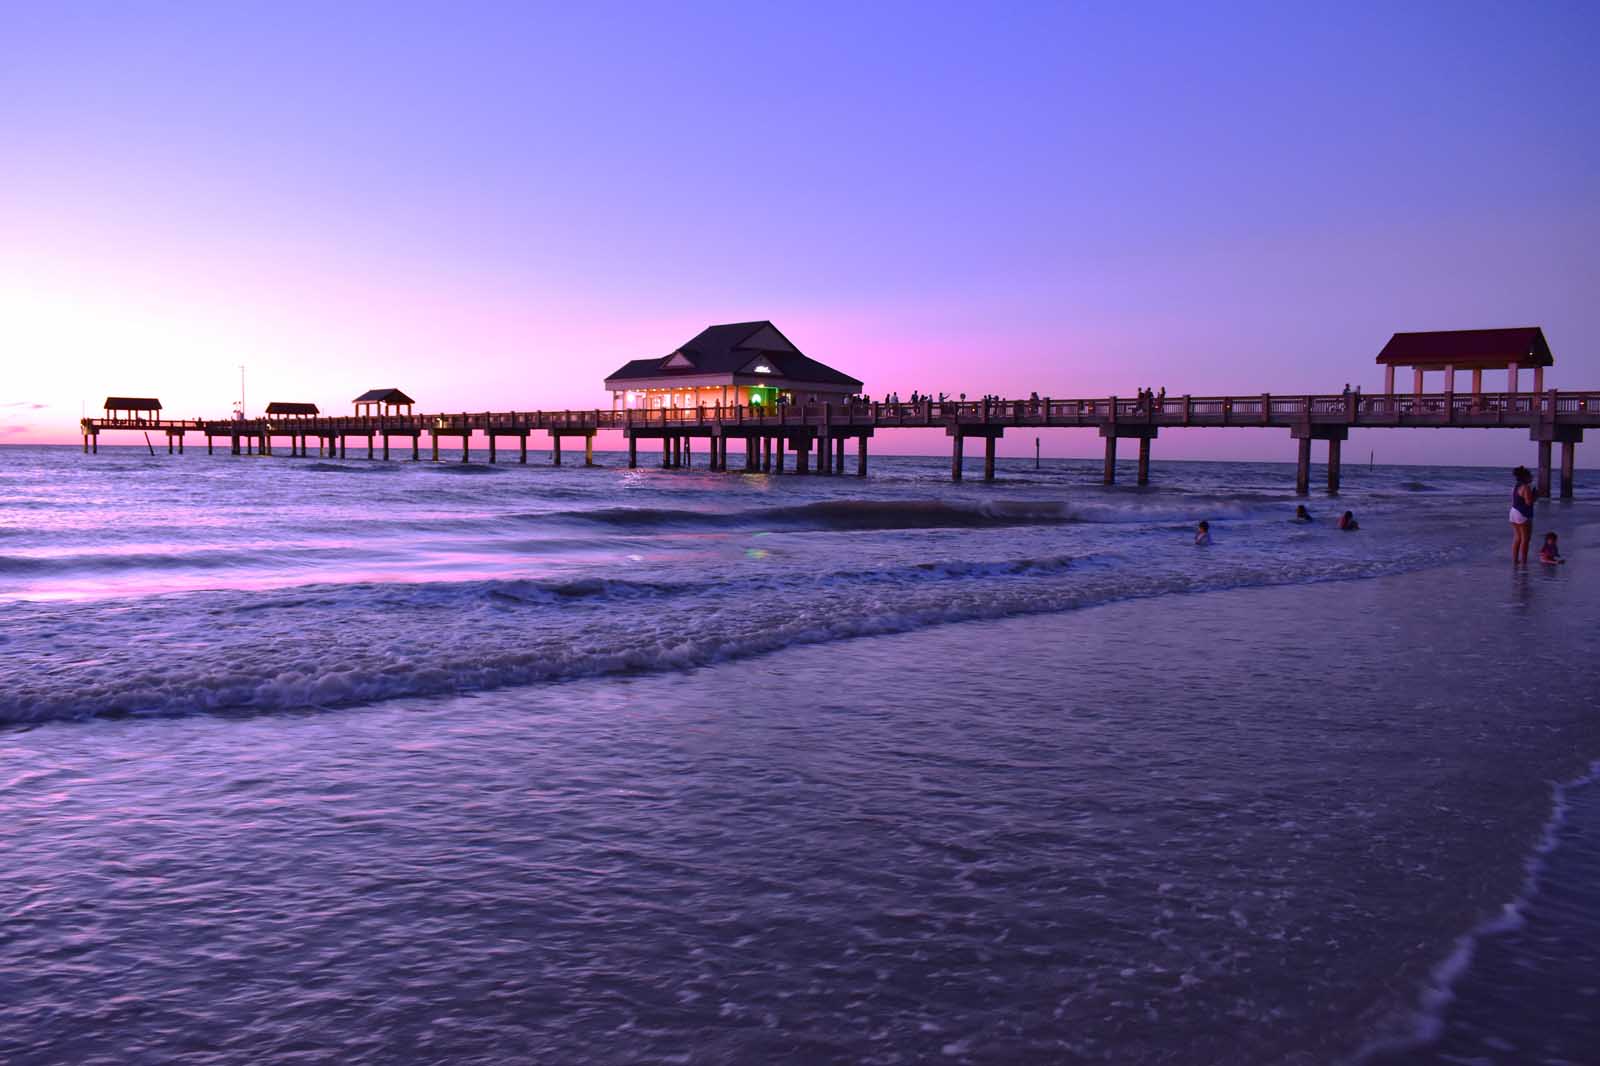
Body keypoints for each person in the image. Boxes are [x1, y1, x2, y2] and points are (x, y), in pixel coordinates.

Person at [1510, 466, 1536, 563]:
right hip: (1523, 513)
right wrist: (1535, 496)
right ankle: (1524, 561)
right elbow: (1529, 502)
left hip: (1513, 512)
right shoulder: (1526, 487)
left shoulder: (1515, 487)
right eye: (1530, 476)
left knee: (1517, 537)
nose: (1532, 477)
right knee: (1526, 539)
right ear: (1525, 477)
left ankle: (1515, 560)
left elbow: (1516, 500)